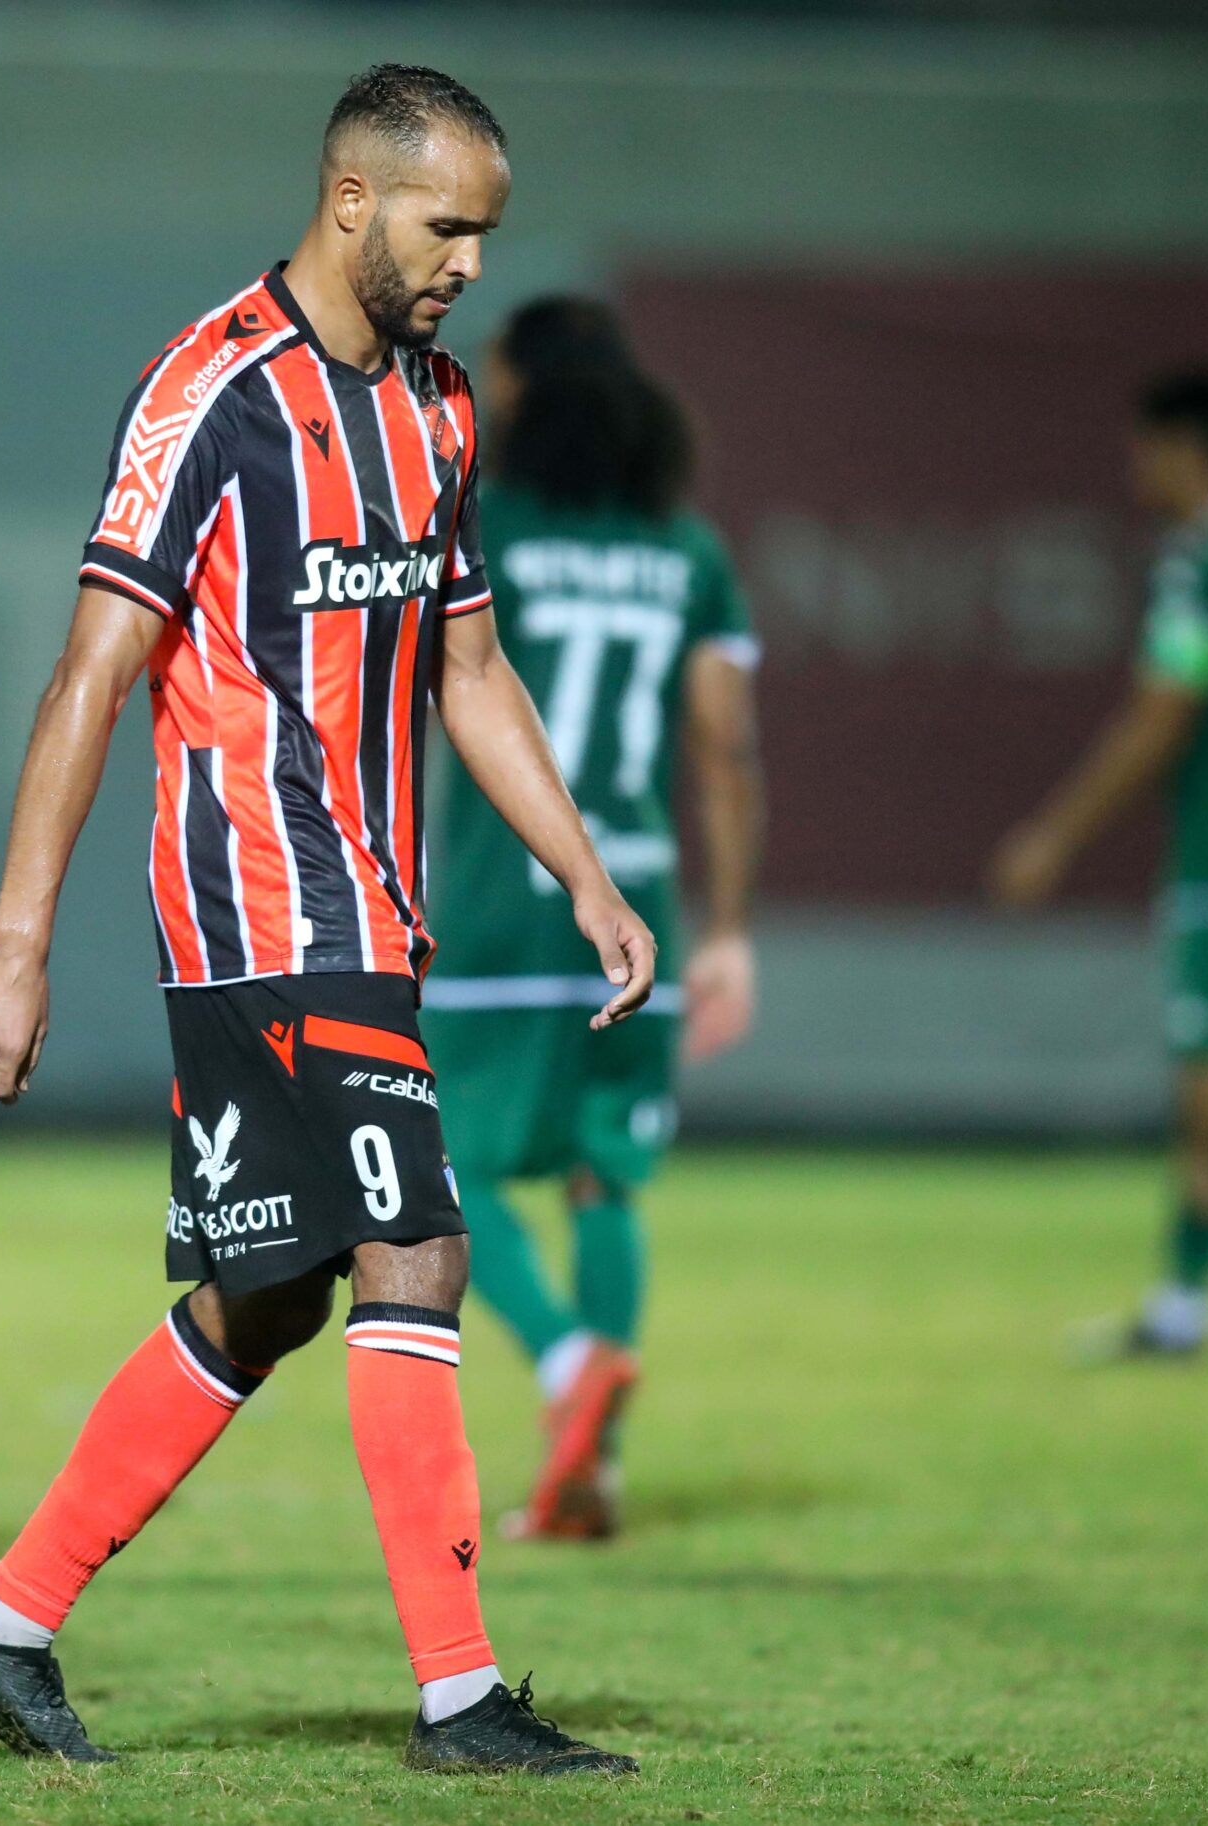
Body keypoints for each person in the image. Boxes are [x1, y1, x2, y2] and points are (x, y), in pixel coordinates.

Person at [0, 66, 654, 1775]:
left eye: (487, 232)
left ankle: (0, 1630)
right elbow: (93, 669)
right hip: (258, 901)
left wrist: (584, 870)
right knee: (418, 1251)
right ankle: (461, 1699)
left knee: (268, 1293)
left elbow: (470, 667)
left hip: (367, 908)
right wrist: (16, 942)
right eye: (446, 226)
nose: (470, 263)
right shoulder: (212, 392)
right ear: (350, 200)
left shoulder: (439, 407)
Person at [421, 298, 765, 1540]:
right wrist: (726, 929)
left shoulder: (484, 524)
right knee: (601, 1178)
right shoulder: (687, 548)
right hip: (642, 904)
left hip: (500, 900)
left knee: (434, 1170)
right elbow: (723, 749)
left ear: (523, 389)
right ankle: (594, 1474)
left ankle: (570, 1361)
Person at [991, 368, 1208, 1363]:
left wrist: (1057, 832)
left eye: (1144, 451)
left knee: (1207, 1101)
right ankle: (1178, 1305)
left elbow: (1163, 710)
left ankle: (1179, 1307)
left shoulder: (1197, 563)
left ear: (1182, 449)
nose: (1135, 471)